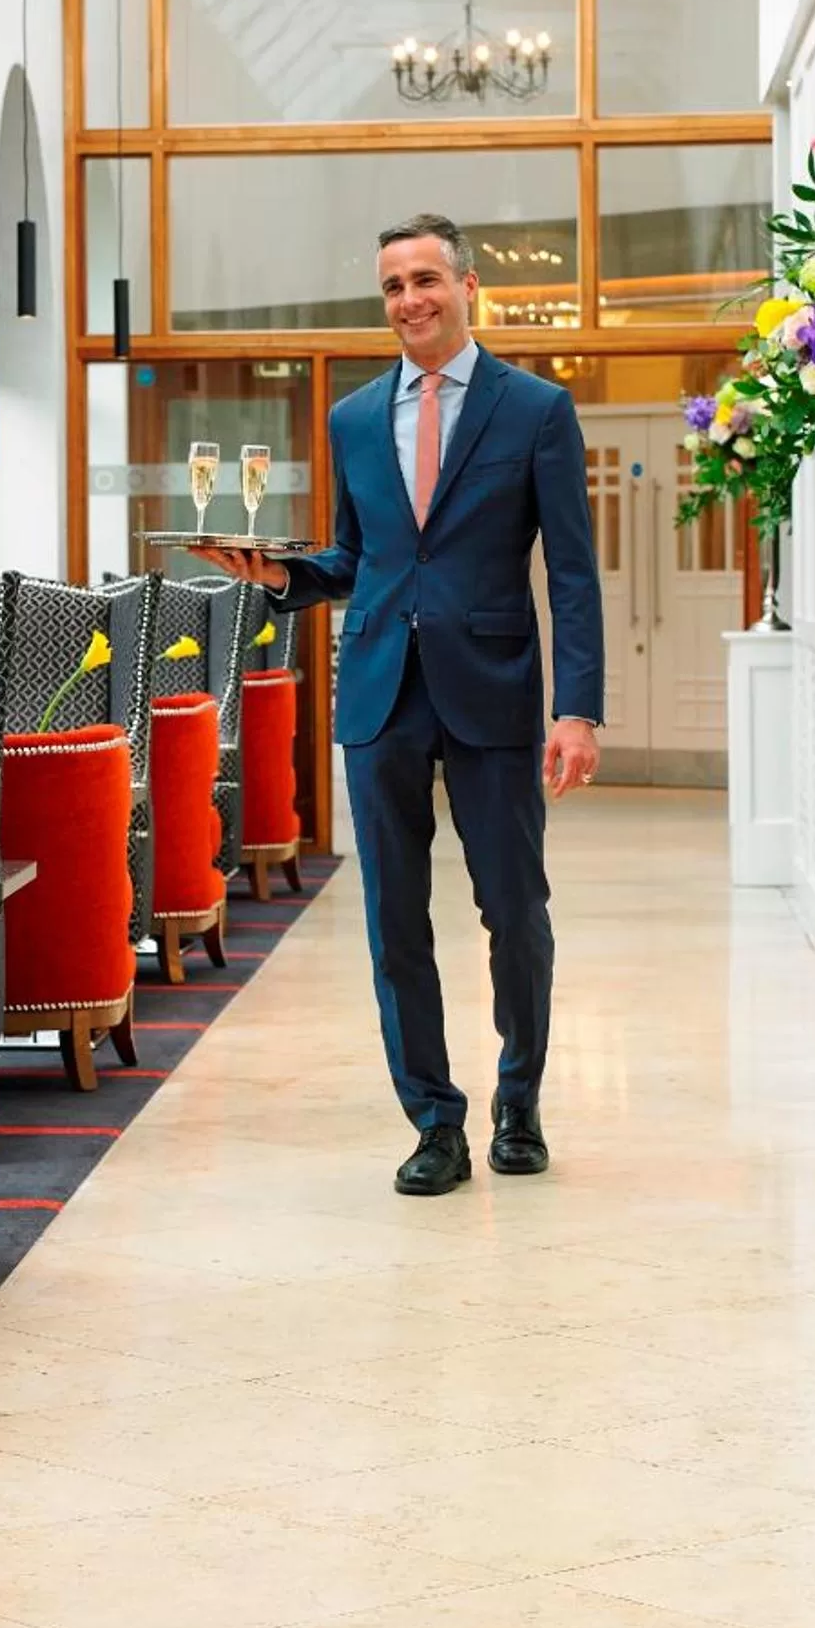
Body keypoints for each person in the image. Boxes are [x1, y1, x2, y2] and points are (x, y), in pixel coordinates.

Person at [196, 213, 602, 1197]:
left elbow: (575, 573)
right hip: (379, 691)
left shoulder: (536, 410)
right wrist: (277, 575)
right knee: (393, 921)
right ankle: (434, 1120)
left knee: (515, 909)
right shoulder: (352, 418)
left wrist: (577, 708)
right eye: (391, 287)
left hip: (496, 692)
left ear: (467, 286)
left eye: (425, 279)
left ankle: (518, 1099)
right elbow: (356, 559)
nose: (409, 300)